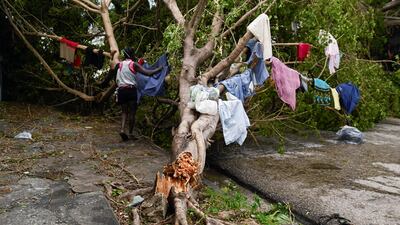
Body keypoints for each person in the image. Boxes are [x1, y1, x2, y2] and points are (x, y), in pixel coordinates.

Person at [115, 47, 162, 141]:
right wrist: (159, 68)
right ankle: (131, 134)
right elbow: (148, 73)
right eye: (133, 54)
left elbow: (114, 77)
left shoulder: (119, 65)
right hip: (131, 90)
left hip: (121, 90)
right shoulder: (134, 64)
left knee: (124, 111)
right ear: (131, 55)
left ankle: (122, 129)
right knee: (132, 112)